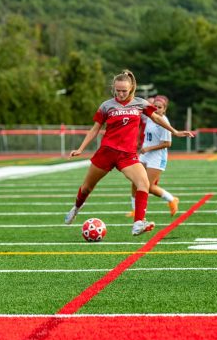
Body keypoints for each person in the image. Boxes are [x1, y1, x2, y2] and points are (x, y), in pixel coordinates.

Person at [65, 70, 193, 235]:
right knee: (87, 188)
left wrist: (175, 131)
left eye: (124, 90)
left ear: (131, 87)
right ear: (114, 88)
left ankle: (138, 223)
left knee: (144, 184)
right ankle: (76, 208)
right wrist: (81, 149)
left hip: (127, 155)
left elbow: (157, 117)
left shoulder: (141, 103)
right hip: (107, 152)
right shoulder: (106, 105)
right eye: (118, 90)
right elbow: (95, 128)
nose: (121, 94)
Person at [127, 95, 179, 218]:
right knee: (135, 181)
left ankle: (172, 199)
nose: (156, 108)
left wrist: (148, 148)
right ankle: (136, 211)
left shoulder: (164, 122)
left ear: (164, 109)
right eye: (154, 106)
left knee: (148, 186)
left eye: (159, 107)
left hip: (157, 157)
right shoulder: (151, 117)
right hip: (145, 155)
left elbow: (167, 143)